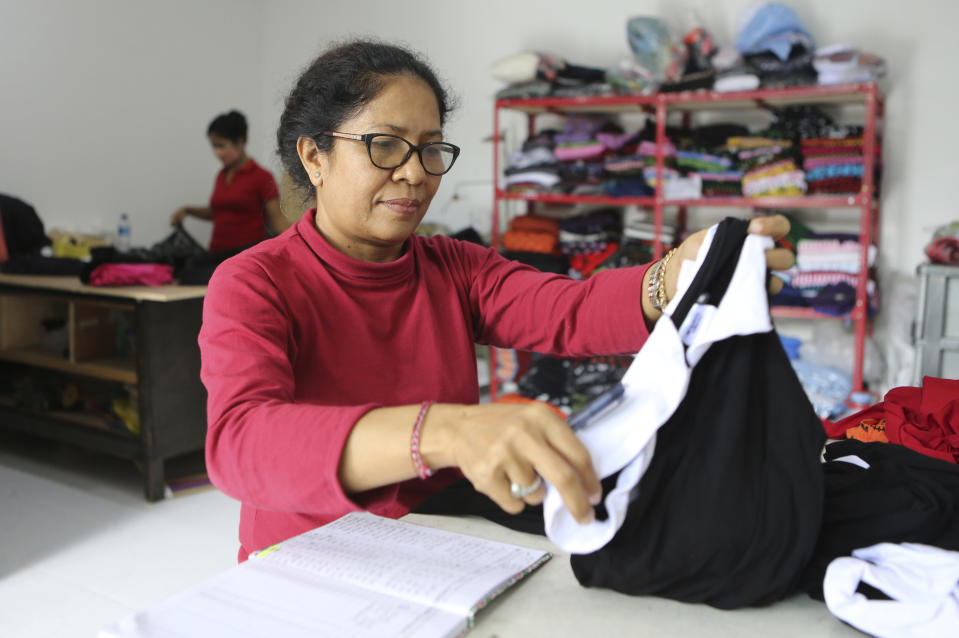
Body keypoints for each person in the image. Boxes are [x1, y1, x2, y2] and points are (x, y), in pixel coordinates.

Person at [198, 40, 794, 562]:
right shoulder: (254, 282)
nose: (414, 174)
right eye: (386, 145)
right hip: (306, 558)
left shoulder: (453, 267)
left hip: (440, 542)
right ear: (314, 156)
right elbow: (243, 440)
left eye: (431, 149)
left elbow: (568, 309)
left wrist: (675, 275)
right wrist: (447, 432)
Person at [171, 110, 290, 253]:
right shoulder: (221, 175)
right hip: (216, 254)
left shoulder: (262, 177)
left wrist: (298, 244)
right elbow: (218, 212)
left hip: (246, 255)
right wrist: (188, 210)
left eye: (221, 145)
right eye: (214, 146)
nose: (217, 152)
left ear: (239, 142)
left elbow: (277, 220)